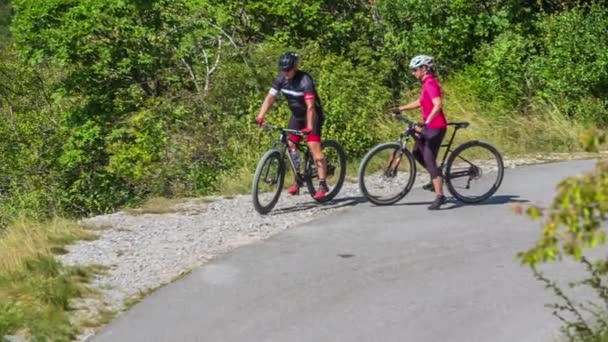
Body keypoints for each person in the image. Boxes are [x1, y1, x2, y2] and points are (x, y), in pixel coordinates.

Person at [255, 52, 329, 201]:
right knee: (291, 145)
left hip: (312, 116)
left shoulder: (305, 81)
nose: (285, 72)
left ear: (295, 67)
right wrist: (261, 116)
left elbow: (310, 107)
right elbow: (270, 98)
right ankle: (298, 177)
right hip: (296, 116)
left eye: (288, 69)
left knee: (313, 147)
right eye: (283, 69)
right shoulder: (281, 79)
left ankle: (322, 184)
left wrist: (308, 127)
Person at [393, 55, 448, 210]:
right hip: (431, 126)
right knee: (417, 152)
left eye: (415, 69)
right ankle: (435, 176)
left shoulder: (430, 83)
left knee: (429, 158)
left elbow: (437, 105)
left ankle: (440, 195)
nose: (413, 73)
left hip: (436, 127)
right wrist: (401, 108)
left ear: (424, 69)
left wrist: (427, 121)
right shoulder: (426, 84)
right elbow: (420, 102)